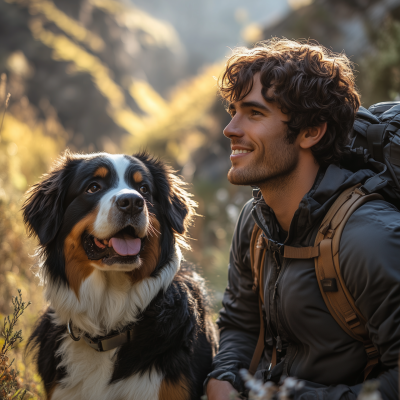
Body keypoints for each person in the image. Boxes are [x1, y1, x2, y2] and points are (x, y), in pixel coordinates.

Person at [205, 39, 400, 400]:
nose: (230, 129)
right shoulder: (255, 221)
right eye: (233, 111)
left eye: (254, 113)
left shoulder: (369, 240)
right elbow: (241, 324)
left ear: (311, 132)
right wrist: (226, 376)